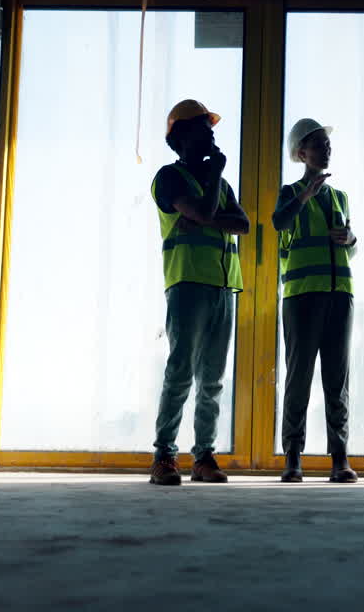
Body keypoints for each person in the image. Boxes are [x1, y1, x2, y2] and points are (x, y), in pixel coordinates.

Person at [148, 99, 250, 486]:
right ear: (183, 136)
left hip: (224, 286)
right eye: (205, 129)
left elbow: (242, 224)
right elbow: (208, 214)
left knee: (213, 377)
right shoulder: (169, 178)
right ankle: (164, 457)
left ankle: (204, 457)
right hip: (188, 282)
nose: (212, 135)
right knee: (180, 372)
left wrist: (208, 217)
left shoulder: (219, 185)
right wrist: (210, 210)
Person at [272, 118, 358, 484]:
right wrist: (304, 195)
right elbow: (279, 223)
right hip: (302, 297)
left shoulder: (340, 197)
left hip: (339, 296)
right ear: (301, 153)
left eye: (328, 144)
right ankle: (293, 457)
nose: (327, 149)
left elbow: (350, 249)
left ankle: (339, 458)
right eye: (319, 144)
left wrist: (351, 239)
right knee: (299, 378)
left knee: (337, 379)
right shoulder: (289, 192)